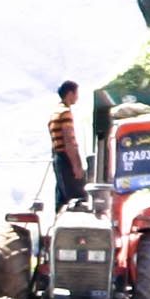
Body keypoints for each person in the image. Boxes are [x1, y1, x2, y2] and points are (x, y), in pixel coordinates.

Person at [47, 80, 87, 208]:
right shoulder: (65, 113)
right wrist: (76, 165)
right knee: (76, 198)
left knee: (61, 197)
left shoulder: (54, 112)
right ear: (70, 93)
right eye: (76, 93)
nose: (77, 97)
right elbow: (69, 140)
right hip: (65, 158)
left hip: (57, 157)